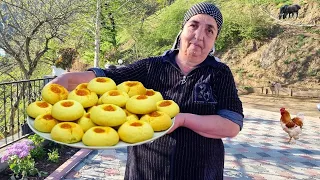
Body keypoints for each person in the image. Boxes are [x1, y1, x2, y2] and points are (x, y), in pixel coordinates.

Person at [50, 2, 243, 179]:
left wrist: (183, 119)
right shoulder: (153, 67)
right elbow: (111, 76)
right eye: (193, 25)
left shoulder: (219, 74)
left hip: (200, 172)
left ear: (214, 39)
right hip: (146, 171)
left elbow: (232, 124)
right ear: (182, 30)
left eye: (209, 31)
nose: (199, 36)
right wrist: (69, 78)